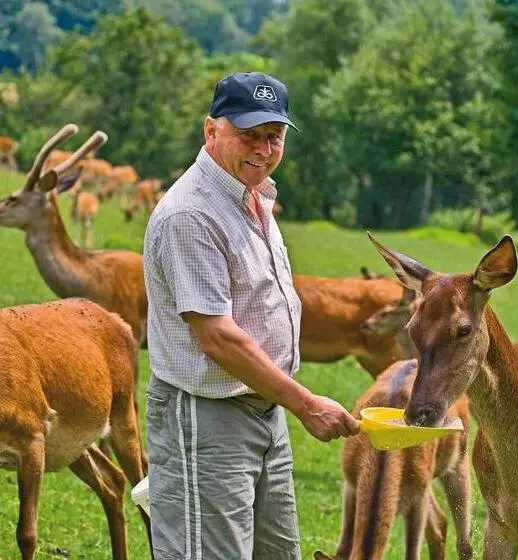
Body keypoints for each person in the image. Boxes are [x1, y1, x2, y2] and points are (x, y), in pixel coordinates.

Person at [143, 71, 360, 559]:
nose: (263, 149)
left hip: (265, 410)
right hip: (207, 417)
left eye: (274, 136)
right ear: (211, 129)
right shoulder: (191, 214)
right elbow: (217, 337)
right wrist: (307, 405)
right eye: (248, 134)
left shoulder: (253, 195)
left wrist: (287, 402)